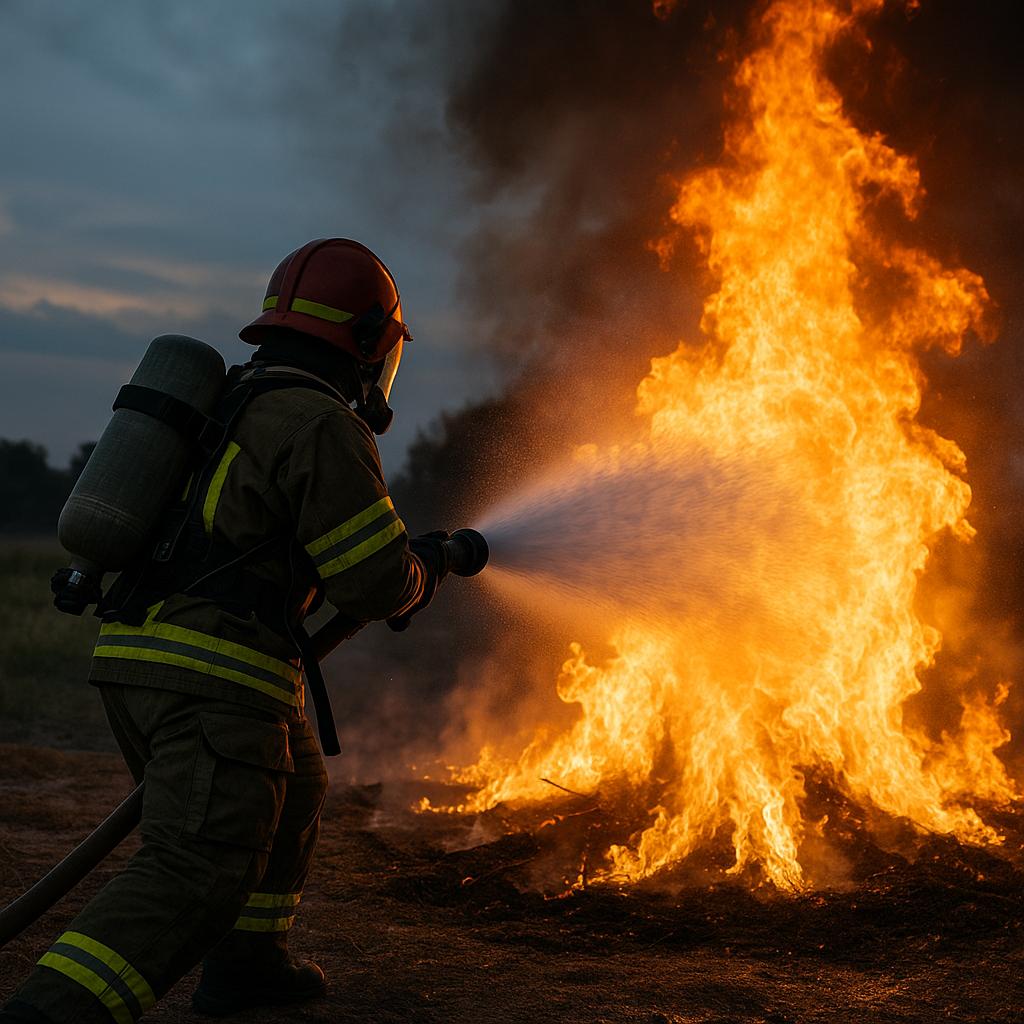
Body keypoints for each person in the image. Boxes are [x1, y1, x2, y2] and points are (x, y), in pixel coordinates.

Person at [1, 238, 454, 1021]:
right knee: (194, 869)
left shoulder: (231, 397)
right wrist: (428, 569)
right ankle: (46, 1013)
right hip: (215, 677)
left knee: (297, 783)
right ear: (373, 341)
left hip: (140, 656)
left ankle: (248, 965)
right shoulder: (321, 424)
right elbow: (375, 582)